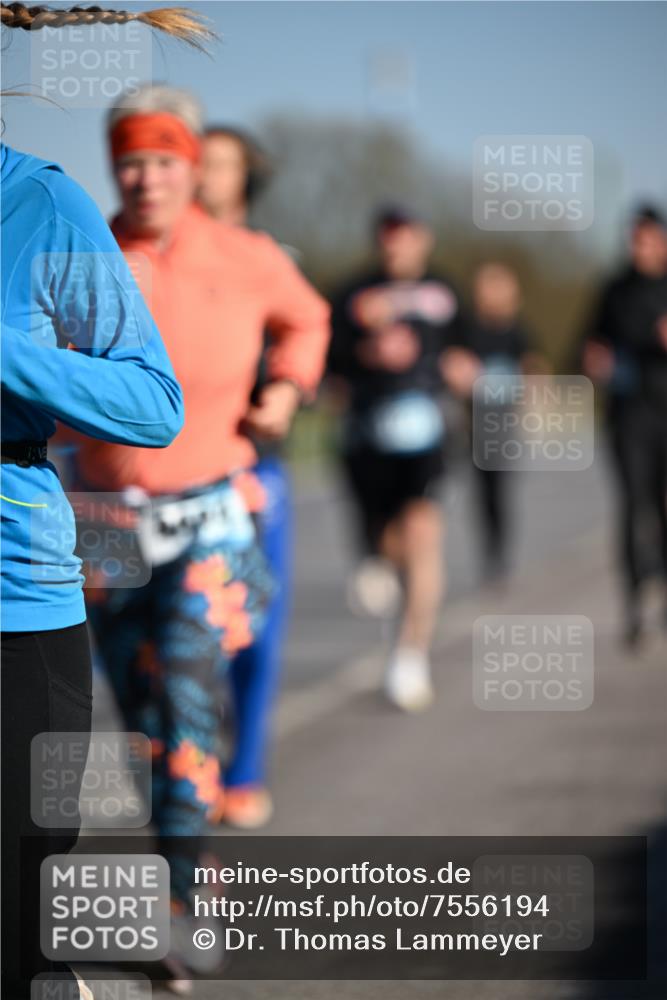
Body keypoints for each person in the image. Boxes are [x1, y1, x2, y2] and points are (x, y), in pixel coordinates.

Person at [68, 85, 330, 934]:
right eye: (130, 161)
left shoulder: (244, 255)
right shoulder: (83, 251)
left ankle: (180, 904)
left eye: (163, 161)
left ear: (191, 167)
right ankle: (188, 861)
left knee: (184, 677)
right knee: (144, 718)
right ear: (114, 167)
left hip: (214, 514)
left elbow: (308, 318)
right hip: (105, 525)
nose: (145, 179)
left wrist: (285, 392)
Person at [0, 7, 203, 996]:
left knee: (17, 896)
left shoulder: (38, 206)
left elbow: (151, 400)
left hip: (17, 596)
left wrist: (8, 356)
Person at [198, 125, 295, 828]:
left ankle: (247, 768)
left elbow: (308, 334)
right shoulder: (142, 256)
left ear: (245, 178)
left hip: (252, 462)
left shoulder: (266, 258)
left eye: (220, 163)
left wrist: (285, 393)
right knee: (160, 623)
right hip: (170, 467)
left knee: (254, 619)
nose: (203, 172)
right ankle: (184, 751)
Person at [328, 203, 461, 712]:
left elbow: (465, 348)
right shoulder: (353, 293)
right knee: (390, 544)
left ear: (422, 239)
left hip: (427, 436)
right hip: (367, 438)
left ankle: (411, 654)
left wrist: (461, 365)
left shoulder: (446, 293)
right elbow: (328, 355)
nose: (396, 246)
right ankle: (377, 557)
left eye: (405, 237)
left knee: (425, 533)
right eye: (388, 238)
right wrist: (365, 354)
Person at [582, 205, 667, 646]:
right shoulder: (614, 290)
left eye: (650, 240)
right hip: (630, 414)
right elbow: (587, 342)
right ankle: (635, 600)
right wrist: (593, 358)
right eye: (636, 240)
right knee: (634, 506)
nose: (642, 249)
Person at [443, 262, 543, 579]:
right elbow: (452, 366)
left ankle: (500, 552)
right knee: (480, 491)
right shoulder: (467, 330)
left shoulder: (517, 331)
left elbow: (535, 368)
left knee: (500, 490)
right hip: (472, 422)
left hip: (503, 423)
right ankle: (488, 550)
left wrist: (532, 391)